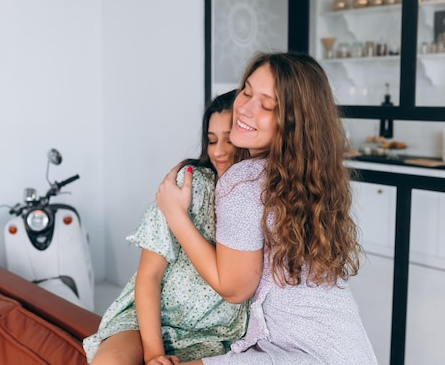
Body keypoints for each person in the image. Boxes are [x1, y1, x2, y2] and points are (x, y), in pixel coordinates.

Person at [156, 51, 378, 364]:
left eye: (267, 104)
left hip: (302, 355)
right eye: (246, 91)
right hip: (349, 349)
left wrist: (175, 214)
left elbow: (234, 289)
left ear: (292, 123)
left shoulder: (244, 182)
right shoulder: (310, 176)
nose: (244, 108)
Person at [83, 90, 250, 365]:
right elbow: (148, 277)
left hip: (214, 337)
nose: (219, 151)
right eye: (211, 140)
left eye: (229, 139)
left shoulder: (260, 201)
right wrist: (155, 356)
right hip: (147, 324)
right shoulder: (188, 187)